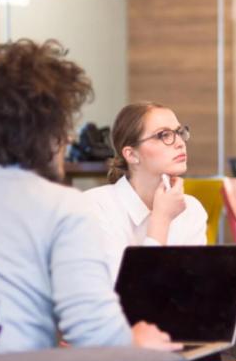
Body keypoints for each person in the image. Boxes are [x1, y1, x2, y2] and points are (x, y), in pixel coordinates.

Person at [0, 39, 179, 354]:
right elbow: (96, 332)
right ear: (47, 133)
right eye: (64, 126)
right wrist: (139, 340)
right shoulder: (62, 207)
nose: (68, 138)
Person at [85, 102, 207, 276]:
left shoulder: (191, 209)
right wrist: (161, 219)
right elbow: (128, 290)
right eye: (164, 135)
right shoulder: (94, 207)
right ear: (132, 154)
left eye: (180, 132)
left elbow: (192, 286)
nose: (180, 143)